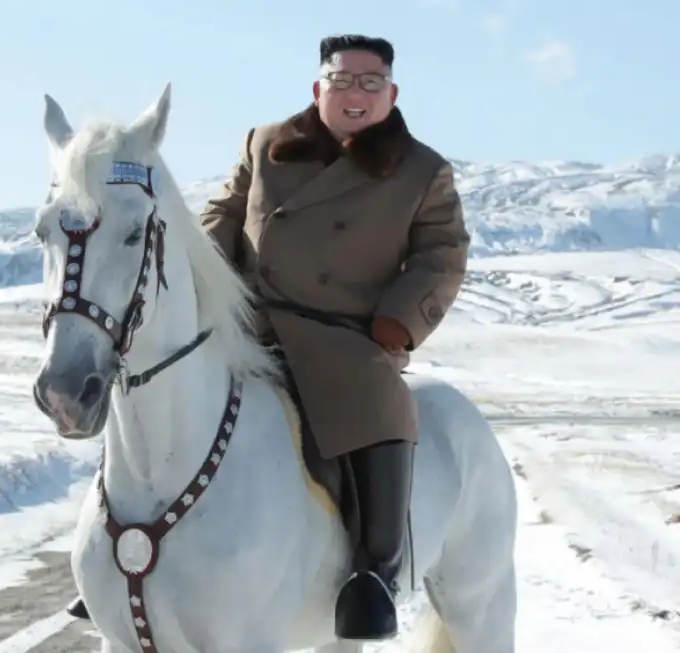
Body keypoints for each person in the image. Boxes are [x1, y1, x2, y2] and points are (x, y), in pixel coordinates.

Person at [67, 33, 470, 641]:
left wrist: (398, 319)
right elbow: (223, 215)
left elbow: (443, 253)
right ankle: (116, 560)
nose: (353, 93)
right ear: (318, 88)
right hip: (251, 324)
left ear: (391, 92)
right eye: (341, 80)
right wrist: (199, 274)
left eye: (369, 82)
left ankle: (371, 576)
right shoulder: (266, 144)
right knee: (160, 390)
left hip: (348, 337)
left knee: (378, 406)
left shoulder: (422, 171)